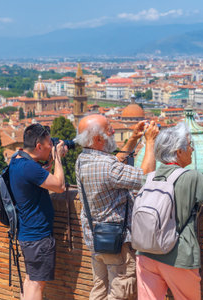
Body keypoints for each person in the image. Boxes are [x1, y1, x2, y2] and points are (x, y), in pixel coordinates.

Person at [136, 122, 203, 300]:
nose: (192, 150)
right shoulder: (190, 176)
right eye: (189, 145)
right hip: (177, 256)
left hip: (145, 254)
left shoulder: (148, 177)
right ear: (178, 152)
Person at [74, 114, 159, 300]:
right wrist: (150, 142)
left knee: (99, 289)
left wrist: (133, 139)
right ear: (97, 139)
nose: (113, 131)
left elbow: (114, 164)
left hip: (95, 239)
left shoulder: (82, 160)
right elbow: (146, 177)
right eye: (109, 129)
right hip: (117, 243)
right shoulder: (107, 167)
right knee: (121, 292)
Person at [9, 123, 68, 300]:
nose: (51, 146)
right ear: (39, 146)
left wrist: (49, 162)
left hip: (28, 233)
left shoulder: (18, 159)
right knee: (37, 283)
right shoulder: (29, 167)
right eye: (50, 143)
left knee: (30, 280)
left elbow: (39, 178)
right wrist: (57, 158)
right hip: (38, 236)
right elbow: (59, 186)